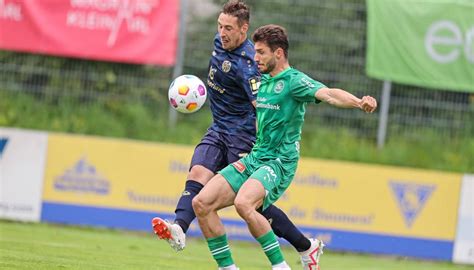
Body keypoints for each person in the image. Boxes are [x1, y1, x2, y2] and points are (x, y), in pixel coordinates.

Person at [152, 2, 323, 269]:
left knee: (253, 205)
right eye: (220, 26)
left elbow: (263, 106)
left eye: (228, 28)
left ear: (244, 29)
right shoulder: (220, 42)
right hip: (218, 128)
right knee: (198, 174)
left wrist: (267, 143)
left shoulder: (249, 65)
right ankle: (180, 228)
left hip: (243, 137)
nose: (222, 32)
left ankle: (305, 246)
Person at [192, 24, 377, 270]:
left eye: (261, 52)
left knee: (244, 204)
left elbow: (329, 94)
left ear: (278, 53)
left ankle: (280, 267)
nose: (255, 57)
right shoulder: (261, 79)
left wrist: (358, 102)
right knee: (201, 203)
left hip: (279, 162)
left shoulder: (294, 82)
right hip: (255, 157)